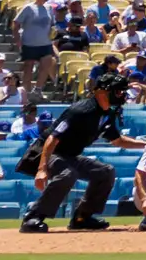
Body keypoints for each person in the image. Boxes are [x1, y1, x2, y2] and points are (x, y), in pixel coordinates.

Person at [21, 58, 129, 233]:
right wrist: (42, 169)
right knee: (68, 174)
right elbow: (52, 138)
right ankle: (33, 217)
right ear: (101, 92)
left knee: (105, 172)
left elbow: (118, 141)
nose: (121, 95)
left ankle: (82, 217)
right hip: (47, 152)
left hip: (69, 156)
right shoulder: (80, 110)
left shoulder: (107, 114)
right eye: (117, 91)